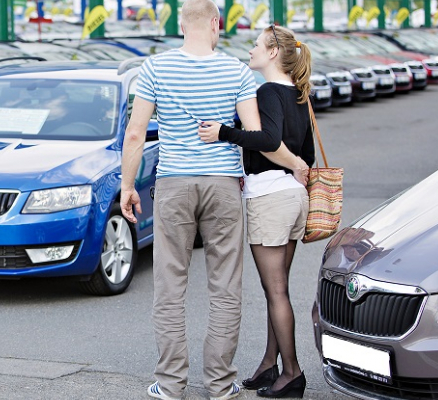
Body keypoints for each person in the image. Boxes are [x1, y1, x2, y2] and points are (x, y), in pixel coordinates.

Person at [119, 1, 308, 399]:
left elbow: (136, 134)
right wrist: (295, 164)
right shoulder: (237, 71)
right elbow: (258, 136)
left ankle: (170, 385)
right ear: (215, 24)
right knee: (225, 288)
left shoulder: (155, 68)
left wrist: (128, 186)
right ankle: (221, 385)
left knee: (170, 287)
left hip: (173, 184)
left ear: (180, 25)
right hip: (223, 186)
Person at [197, 25, 314, 398]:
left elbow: (268, 141)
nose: (251, 50)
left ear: (273, 53)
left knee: (275, 290)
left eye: (256, 45)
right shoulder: (299, 94)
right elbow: (306, 157)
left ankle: (292, 372)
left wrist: (224, 133)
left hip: (270, 199)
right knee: (276, 289)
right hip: (294, 197)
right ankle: (269, 365)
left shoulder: (266, 91)